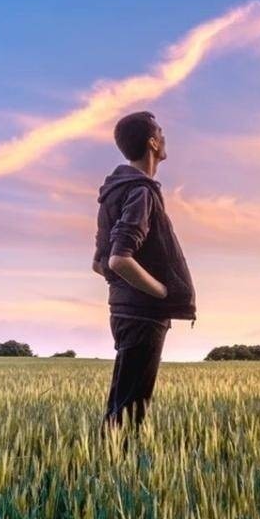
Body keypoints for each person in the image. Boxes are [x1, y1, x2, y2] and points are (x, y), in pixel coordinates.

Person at [92, 110, 197, 432]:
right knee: (131, 409)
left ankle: (108, 466)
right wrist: (162, 293)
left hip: (124, 310)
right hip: (142, 313)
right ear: (152, 142)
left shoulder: (115, 191)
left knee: (123, 403)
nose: (165, 138)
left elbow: (99, 262)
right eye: (161, 133)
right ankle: (114, 473)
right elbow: (118, 259)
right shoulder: (140, 191)